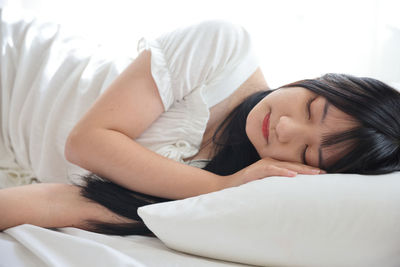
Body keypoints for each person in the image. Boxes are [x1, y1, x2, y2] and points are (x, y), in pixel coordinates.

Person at [0, 17, 399, 236]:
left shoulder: (210, 204)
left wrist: (221, 190)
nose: (285, 129)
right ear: (323, 80)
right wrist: (218, 187)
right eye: (312, 108)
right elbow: (85, 144)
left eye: (306, 152)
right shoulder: (223, 49)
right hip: (15, 71)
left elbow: (56, 202)